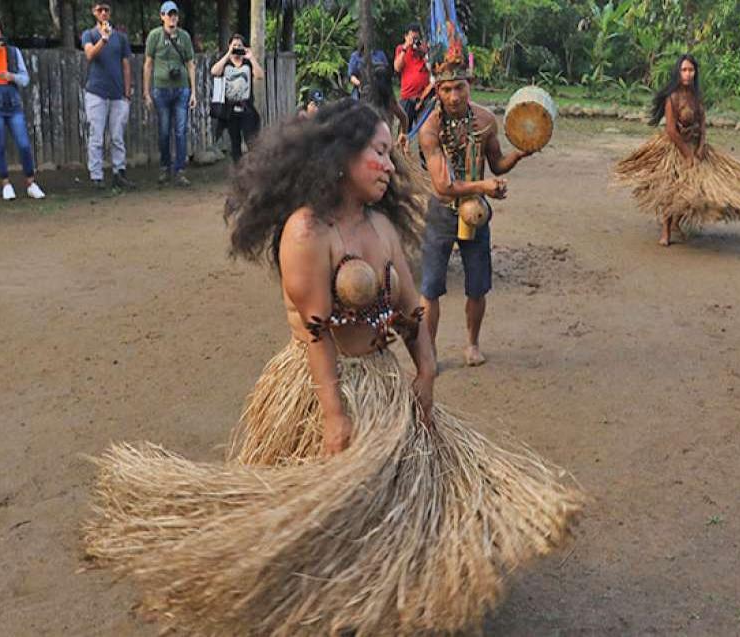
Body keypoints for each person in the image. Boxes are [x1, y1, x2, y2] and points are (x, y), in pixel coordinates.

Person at [82, 99, 582, 636]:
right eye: (381, 154)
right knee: (322, 516)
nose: (391, 166)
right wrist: (333, 413)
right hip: (321, 385)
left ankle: (392, 597)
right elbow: (317, 329)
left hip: (382, 382)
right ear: (344, 156)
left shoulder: (382, 227)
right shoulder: (306, 231)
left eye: (391, 155)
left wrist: (426, 369)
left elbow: (413, 307)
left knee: (394, 505)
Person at [417, 31, 532, 367]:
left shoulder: (485, 121)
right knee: (431, 288)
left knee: (477, 285)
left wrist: (521, 154)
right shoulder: (430, 129)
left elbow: (496, 164)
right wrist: (484, 187)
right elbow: (442, 186)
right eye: (447, 89)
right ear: (437, 90)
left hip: (476, 214)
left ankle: (471, 344)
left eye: (460, 87)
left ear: (470, 84)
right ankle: (429, 352)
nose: (454, 96)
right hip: (441, 212)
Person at [615, 54, 740, 246]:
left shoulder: (696, 96)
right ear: (678, 72)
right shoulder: (673, 98)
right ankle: (666, 230)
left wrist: (701, 147)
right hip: (676, 147)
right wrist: (687, 154)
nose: (688, 74)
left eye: (691, 70)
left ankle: (677, 222)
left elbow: (702, 123)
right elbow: (670, 130)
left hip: (696, 146)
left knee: (694, 191)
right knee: (672, 189)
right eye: (684, 70)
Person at [0, 14, 44, 201]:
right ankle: (5, 183)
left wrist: (12, 77)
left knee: (24, 144)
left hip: (12, 102)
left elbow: (25, 79)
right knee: (0, 145)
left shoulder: (13, 51)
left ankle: (31, 182)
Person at [81, 1, 135, 190]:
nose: (103, 13)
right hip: (96, 93)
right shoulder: (89, 34)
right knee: (96, 136)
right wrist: (103, 39)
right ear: (94, 12)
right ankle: (96, 176)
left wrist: (127, 93)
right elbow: (89, 54)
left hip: (118, 94)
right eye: (100, 10)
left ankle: (119, 172)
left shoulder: (120, 38)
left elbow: (126, 64)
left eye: (106, 10)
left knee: (117, 136)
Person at [144, 1, 197, 187]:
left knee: (181, 130)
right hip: (161, 89)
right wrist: (146, 92)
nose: (172, 17)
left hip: (181, 88)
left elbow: (191, 64)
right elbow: (148, 64)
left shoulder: (184, 37)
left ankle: (180, 170)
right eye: (168, 14)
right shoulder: (154, 36)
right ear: (162, 16)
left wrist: (193, 93)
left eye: (174, 14)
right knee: (164, 131)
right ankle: (165, 167)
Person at [210, 33, 263, 165]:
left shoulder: (247, 63)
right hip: (230, 109)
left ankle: (254, 167)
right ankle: (238, 170)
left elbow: (260, 75)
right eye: (234, 45)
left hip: (246, 107)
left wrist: (251, 58)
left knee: (251, 139)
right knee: (235, 142)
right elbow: (214, 71)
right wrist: (228, 54)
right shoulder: (226, 63)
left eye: (239, 45)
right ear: (229, 46)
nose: (237, 48)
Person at [363, 65, 410, 147]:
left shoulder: (389, 100)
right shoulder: (388, 100)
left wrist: (403, 135)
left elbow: (404, 118)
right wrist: (403, 134)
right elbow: (404, 117)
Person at [394, 22, 430, 131]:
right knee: (404, 129)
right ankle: (404, 147)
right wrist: (406, 47)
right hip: (407, 97)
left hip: (424, 97)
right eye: (412, 37)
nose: (415, 41)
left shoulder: (423, 50)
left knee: (426, 128)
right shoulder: (401, 49)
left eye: (417, 38)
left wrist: (424, 52)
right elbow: (397, 68)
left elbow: (431, 68)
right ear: (406, 36)